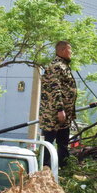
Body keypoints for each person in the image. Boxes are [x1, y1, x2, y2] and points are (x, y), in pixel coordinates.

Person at [38, 40, 77, 169]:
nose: (71, 52)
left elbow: (67, 90)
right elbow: (56, 89)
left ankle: (64, 169)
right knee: (49, 143)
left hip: (64, 115)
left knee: (63, 143)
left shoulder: (64, 66)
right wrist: (60, 109)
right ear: (62, 51)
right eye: (69, 50)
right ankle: (45, 171)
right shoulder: (56, 66)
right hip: (53, 114)